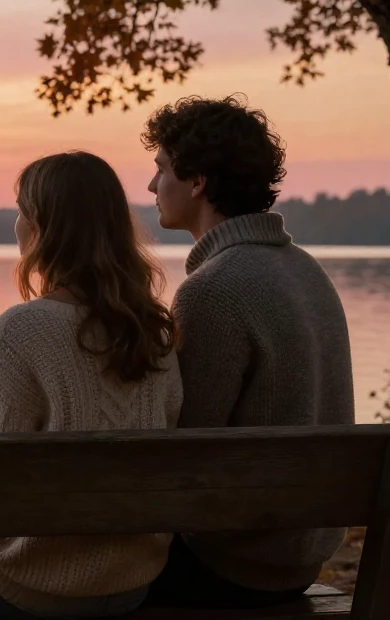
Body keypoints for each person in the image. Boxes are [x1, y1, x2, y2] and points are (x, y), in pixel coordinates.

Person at [0, 151, 182, 619]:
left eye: (21, 212)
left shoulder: (23, 328)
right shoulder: (156, 332)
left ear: (43, 227)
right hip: (133, 581)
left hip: (35, 585)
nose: (16, 226)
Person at [142, 95, 354, 608]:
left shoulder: (213, 290)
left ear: (198, 182)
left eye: (162, 169)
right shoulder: (307, 270)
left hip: (230, 563)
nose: (151, 186)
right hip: (298, 557)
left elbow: (186, 448)